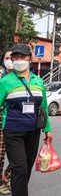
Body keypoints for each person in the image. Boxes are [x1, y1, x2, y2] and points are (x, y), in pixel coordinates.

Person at [0, 44, 53, 196]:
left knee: (27, 167)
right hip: (12, 131)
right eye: (15, 57)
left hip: (33, 131)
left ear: (30, 59)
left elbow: (43, 108)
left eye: (22, 57)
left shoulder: (38, 81)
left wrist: (47, 129)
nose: (18, 60)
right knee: (19, 167)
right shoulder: (6, 81)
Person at [0, 49, 13, 195]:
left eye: (12, 57)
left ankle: (7, 175)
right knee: (0, 153)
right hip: (1, 117)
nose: (9, 60)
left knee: (20, 154)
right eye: (7, 57)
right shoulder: (1, 77)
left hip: (17, 119)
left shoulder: (23, 78)